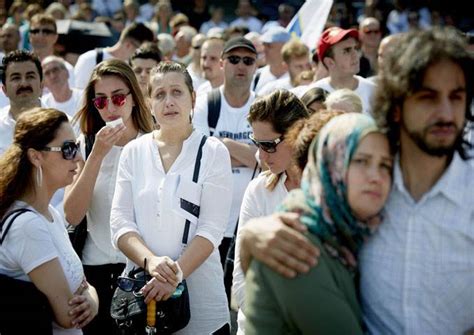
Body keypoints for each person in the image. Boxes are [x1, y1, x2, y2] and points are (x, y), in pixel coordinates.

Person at [239, 27, 474, 334]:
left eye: (457, 97)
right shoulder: (363, 183)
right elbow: (308, 214)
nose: (445, 112)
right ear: (397, 107)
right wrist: (251, 237)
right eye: (428, 97)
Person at [110, 61, 233, 334]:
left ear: (193, 98)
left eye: (177, 92)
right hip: (143, 300)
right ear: (148, 103)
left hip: (202, 308)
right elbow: (120, 224)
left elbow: (212, 229)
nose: (169, 102)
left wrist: (174, 276)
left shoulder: (213, 151)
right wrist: (151, 263)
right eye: (160, 94)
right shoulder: (133, 152)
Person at [244, 113, 393, 334]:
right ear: (331, 165)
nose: (376, 176)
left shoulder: (347, 232)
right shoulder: (295, 241)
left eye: (385, 165)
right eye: (361, 161)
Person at [64, 59, 154, 335]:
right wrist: (97, 155)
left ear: (134, 99)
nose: (111, 108)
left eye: (117, 98)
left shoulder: (153, 145)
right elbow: (72, 214)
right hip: (96, 272)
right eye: (101, 101)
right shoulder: (85, 144)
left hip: (141, 270)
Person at [0, 107, 99, 334]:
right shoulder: (28, 226)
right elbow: (69, 315)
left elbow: (84, 284)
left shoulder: (49, 214)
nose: (78, 157)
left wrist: (90, 298)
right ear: (36, 156)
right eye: (67, 149)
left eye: (76, 147)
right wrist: (89, 298)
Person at [233, 89, 309, 334]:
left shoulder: (331, 190)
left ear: (296, 134)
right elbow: (240, 281)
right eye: (257, 144)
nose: (261, 156)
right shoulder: (257, 190)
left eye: (268, 145)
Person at [193, 36, 258, 268]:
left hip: (250, 224)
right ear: (222, 64)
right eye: (233, 59)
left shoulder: (262, 107)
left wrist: (225, 144)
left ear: (256, 66)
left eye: (248, 60)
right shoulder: (204, 103)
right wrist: (249, 153)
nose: (241, 65)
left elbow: (265, 160)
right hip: (209, 224)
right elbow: (203, 156)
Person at [299, 27, 376, 115]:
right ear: (330, 62)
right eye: (347, 50)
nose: (355, 54)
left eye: (355, 48)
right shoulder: (312, 96)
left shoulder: (373, 91)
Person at [74, 22, 154, 89]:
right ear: (128, 45)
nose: (143, 53)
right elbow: (78, 94)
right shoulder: (89, 59)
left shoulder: (133, 68)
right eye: (141, 50)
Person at [0, 50, 43, 155]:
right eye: (16, 78)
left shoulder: (64, 124)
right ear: (4, 89)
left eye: (30, 76)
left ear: (41, 85)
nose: (24, 83)